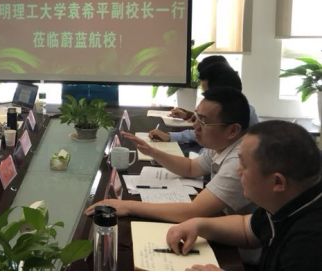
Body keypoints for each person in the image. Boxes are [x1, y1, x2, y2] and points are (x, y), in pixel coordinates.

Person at [165, 120, 322, 270]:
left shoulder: (309, 243)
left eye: (244, 165)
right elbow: (247, 228)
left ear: (277, 182)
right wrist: (198, 225)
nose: (238, 170)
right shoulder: (289, 200)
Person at [86, 87, 254, 223]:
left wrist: (127, 206)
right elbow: (191, 168)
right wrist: (152, 152)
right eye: (196, 117)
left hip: (239, 250)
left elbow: (193, 212)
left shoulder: (239, 161)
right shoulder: (221, 143)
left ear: (232, 130)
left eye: (203, 121)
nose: (195, 126)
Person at [149, 61, 259, 144]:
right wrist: (189, 115)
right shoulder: (235, 109)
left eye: (208, 93)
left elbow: (205, 131)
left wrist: (170, 137)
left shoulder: (241, 116)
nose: (205, 98)